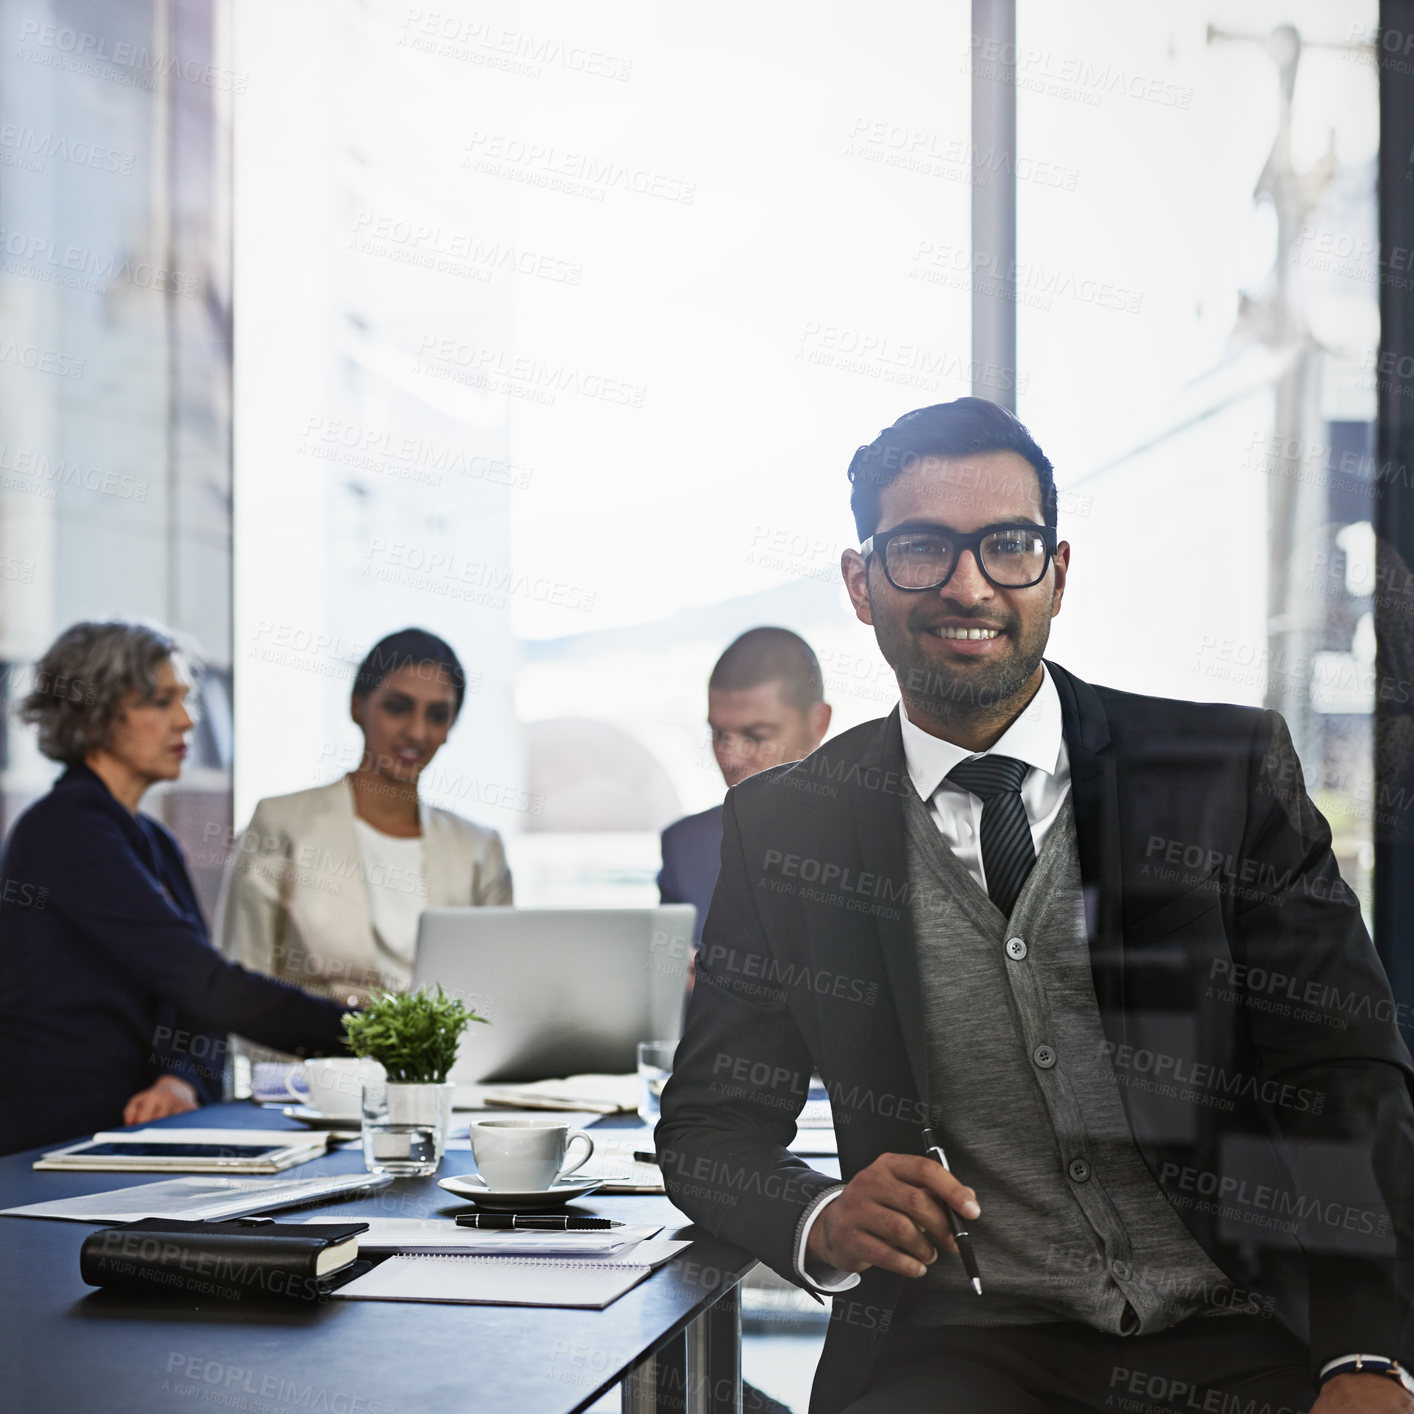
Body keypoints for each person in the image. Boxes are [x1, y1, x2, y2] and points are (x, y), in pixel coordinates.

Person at [657, 398, 1414, 1414]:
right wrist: (820, 1216)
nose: (968, 585)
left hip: (1248, 1327)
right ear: (859, 579)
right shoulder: (784, 829)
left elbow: (1343, 1076)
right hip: (959, 1348)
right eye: (921, 546)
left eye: (1005, 545)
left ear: (1055, 571)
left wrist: (1367, 1351)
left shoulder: (1222, 773)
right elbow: (710, 1124)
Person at [0, 621, 351, 1155]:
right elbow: (209, 984)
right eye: (161, 702)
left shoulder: (153, 839)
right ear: (97, 715)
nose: (186, 720)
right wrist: (369, 1035)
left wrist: (179, 1079)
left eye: (183, 701)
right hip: (57, 1145)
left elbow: (197, 1004)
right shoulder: (64, 830)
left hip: (139, 1133)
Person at [216, 628, 512, 1019]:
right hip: (308, 1070)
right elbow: (244, 974)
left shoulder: (479, 847)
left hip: (440, 1074)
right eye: (398, 707)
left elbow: (500, 992)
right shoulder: (281, 822)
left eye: (438, 715)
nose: (417, 732)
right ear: (358, 706)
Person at [659, 627, 831, 942]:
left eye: (756, 736)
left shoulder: (886, 839)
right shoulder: (683, 848)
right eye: (719, 734)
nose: (730, 756)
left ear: (819, 723)